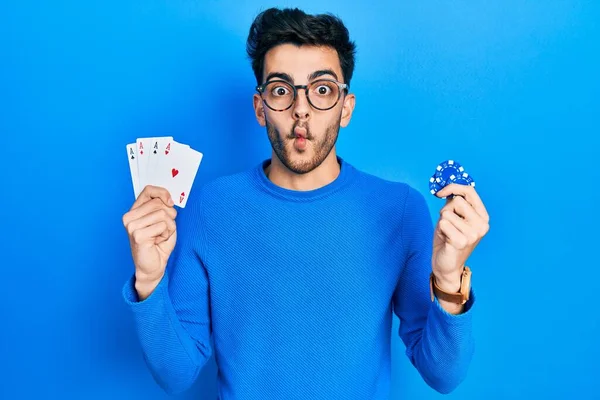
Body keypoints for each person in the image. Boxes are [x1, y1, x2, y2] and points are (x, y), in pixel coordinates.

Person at [121, 7, 490, 399]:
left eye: (322, 90)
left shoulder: (399, 211)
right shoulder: (210, 208)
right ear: (260, 108)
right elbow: (175, 374)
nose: (302, 109)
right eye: (281, 90)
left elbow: (443, 376)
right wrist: (149, 281)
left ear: (345, 108)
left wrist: (450, 281)